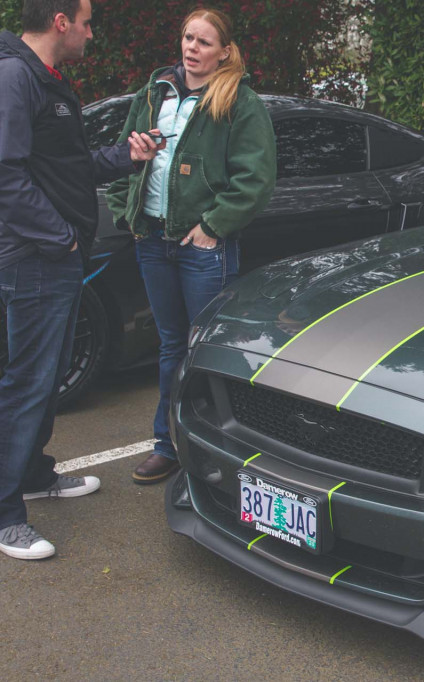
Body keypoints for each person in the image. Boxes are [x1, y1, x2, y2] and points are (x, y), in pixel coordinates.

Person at [0, 0, 162, 560]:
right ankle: (5, 514)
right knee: (28, 381)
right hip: (37, 257)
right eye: (88, 23)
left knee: (47, 377)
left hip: (58, 256)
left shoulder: (46, 81)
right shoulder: (15, 76)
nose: (93, 34)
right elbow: (5, 173)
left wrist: (127, 155)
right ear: (61, 21)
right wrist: (60, 236)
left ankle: (35, 474)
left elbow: (68, 166)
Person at [105, 8, 276, 485]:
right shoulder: (156, 91)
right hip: (153, 241)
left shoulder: (239, 101)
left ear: (224, 51)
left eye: (203, 42)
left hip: (203, 249)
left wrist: (214, 226)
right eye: (187, 38)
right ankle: (168, 445)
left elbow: (256, 179)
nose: (191, 48)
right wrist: (128, 212)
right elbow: (128, 154)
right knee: (170, 348)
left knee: (205, 351)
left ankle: (216, 451)